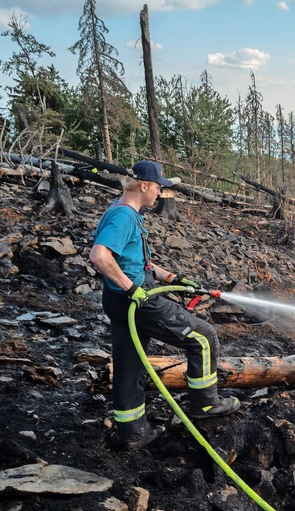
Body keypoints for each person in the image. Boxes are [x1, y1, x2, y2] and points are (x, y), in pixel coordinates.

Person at [89, 160, 240, 450]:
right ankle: (205, 405)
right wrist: (133, 288)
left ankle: (131, 433)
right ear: (144, 186)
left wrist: (173, 278)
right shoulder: (123, 217)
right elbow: (99, 256)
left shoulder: (123, 211)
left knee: (129, 365)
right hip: (136, 300)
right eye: (159, 187)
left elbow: (135, 260)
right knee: (203, 336)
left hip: (118, 301)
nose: (160, 193)